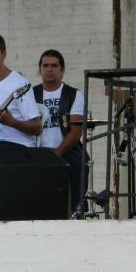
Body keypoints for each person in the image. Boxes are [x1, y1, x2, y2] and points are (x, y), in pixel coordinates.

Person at [33, 49, 88, 212]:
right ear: (40, 69)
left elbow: (76, 132)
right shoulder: (30, 94)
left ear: (62, 70)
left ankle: (77, 212)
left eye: (54, 65)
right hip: (38, 151)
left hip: (66, 150)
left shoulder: (73, 94)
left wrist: (56, 154)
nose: (49, 69)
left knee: (79, 163)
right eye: (45, 65)